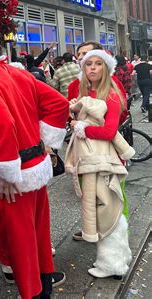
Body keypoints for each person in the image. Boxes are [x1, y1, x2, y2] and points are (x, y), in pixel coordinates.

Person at [0, 24, 69, 298]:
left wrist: (8, 173)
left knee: (22, 244)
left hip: (15, 173)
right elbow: (59, 104)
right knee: (39, 234)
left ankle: (33, 294)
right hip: (37, 166)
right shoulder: (17, 73)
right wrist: (46, 141)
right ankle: (45, 286)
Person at [66, 50, 132, 278]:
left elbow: (108, 131)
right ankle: (115, 260)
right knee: (100, 207)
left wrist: (81, 127)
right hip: (90, 160)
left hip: (103, 162)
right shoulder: (87, 92)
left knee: (107, 210)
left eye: (98, 64)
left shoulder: (111, 95)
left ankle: (112, 264)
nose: (92, 68)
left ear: (107, 68)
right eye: (88, 64)